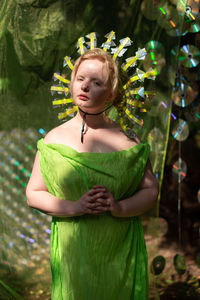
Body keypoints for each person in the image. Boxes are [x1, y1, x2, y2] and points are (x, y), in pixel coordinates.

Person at [26, 48, 159, 300]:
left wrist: (118, 207)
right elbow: (33, 194)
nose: (85, 86)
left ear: (111, 94)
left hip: (119, 250)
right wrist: (75, 206)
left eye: (96, 82)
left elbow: (150, 190)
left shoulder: (128, 141)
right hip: (74, 253)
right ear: (72, 83)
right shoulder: (54, 139)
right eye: (80, 79)